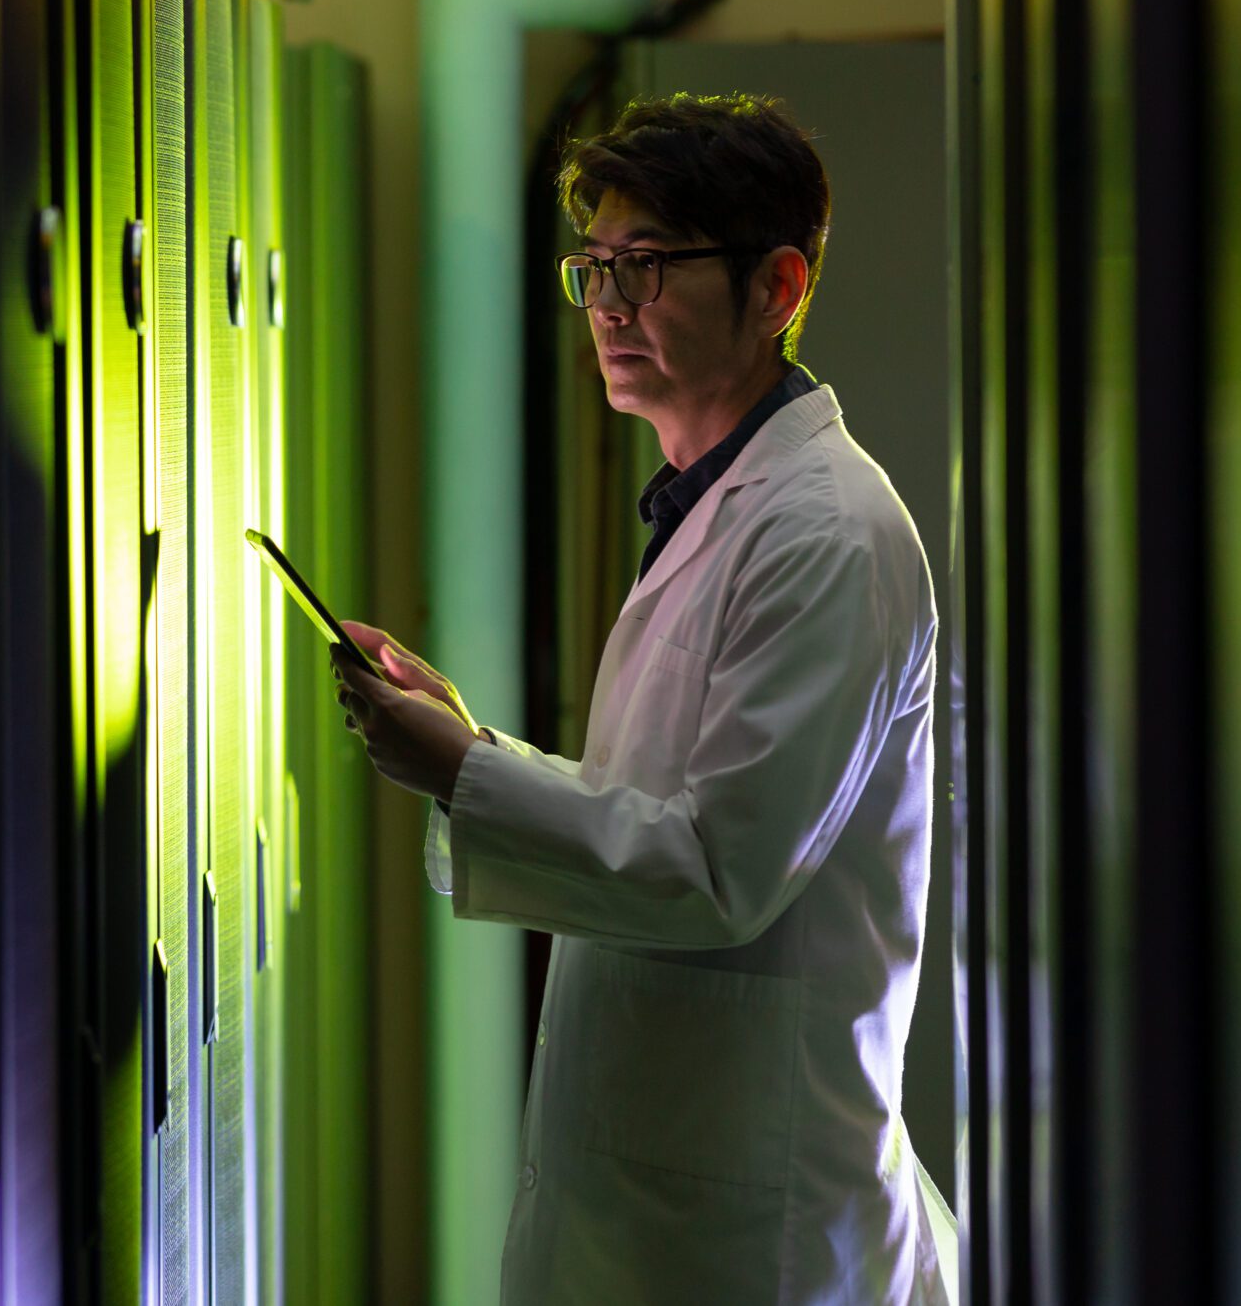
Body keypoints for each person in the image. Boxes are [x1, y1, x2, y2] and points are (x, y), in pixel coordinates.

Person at [331, 93, 957, 1305]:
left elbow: (716, 868)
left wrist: (463, 771)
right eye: (596, 269)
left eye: (648, 268)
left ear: (776, 288)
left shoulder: (824, 531)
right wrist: (468, 739)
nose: (609, 307)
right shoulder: (711, 500)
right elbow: (666, 812)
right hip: (676, 1198)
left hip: (753, 1231)